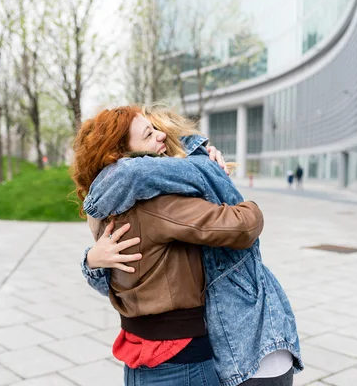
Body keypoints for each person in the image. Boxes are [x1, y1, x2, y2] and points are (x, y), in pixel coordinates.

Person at [76, 105, 302, 386]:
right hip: (186, 356)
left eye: (161, 132)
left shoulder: (108, 209)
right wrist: (220, 180)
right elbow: (243, 226)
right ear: (123, 158)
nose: (160, 137)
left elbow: (109, 283)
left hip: (143, 356)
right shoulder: (156, 204)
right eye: (149, 134)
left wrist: (90, 262)